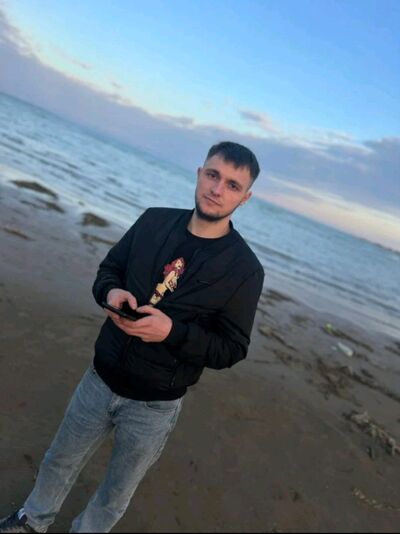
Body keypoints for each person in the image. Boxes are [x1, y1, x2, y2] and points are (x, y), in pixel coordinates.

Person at [0, 141, 265, 533]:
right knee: (59, 459)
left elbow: (232, 348)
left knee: (115, 492)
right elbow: (109, 270)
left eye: (232, 185)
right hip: (99, 377)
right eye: (213, 175)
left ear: (245, 198)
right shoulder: (153, 221)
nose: (217, 189)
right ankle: (31, 521)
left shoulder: (244, 270)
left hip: (154, 405)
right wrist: (110, 293)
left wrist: (171, 332)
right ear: (199, 174)